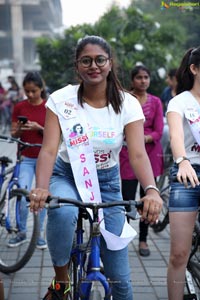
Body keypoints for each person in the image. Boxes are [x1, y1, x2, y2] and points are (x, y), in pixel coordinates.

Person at [29, 35, 162, 300]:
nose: (94, 66)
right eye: (86, 61)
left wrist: (151, 190)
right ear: (77, 66)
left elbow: (136, 154)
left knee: (121, 282)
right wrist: (41, 188)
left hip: (108, 183)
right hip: (66, 175)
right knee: (63, 213)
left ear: (110, 63)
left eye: (100, 59)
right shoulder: (61, 99)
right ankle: (61, 282)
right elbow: (49, 149)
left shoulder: (128, 104)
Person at [166, 46, 200, 300]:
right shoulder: (180, 102)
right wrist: (182, 160)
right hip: (186, 174)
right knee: (179, 253)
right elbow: (176, 135)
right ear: (195, 69)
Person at [120, 65, 164, 257]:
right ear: (132, 80)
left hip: (151, 155)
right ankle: (122, 239)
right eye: (139, 77)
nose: (143, 81)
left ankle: (144, 240)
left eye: (146, 77)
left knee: (148, 200)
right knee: (127, 201)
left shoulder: (156, 102)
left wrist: (144, 138)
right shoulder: (124, 100)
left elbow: (159, 130)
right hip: (127, 156)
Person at [8, 71, 47, 250]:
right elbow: (13, 133)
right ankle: (22, 232)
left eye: (34, 91)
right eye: (27, 91)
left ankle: (38, 235)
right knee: (23, 193)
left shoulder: (49, 107)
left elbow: (57, 136)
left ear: (41, 88)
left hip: (44, 157)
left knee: (42, 196)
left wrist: (39, 128)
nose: (30, 95)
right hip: (25, 157)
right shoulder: (20, 107)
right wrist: (19, 130)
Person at [160, 69, 177, 154]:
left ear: (174, 79)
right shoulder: (166, 91)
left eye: (168, 78)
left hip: (178, 121)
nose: (166, 80)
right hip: (166, 120)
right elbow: (161, 108)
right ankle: (161, 154)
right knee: (164, 129)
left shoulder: (183, 92)